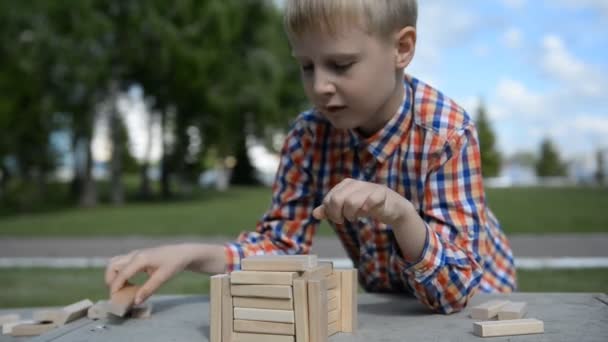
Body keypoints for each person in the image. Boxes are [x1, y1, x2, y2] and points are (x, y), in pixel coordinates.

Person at [105, 0, 516, 314]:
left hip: (480, 302)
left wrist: (401, 214)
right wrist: (192, 254)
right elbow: (280, 247)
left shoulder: (445, 133)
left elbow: (455, 292)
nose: (320, 86)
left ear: (402, 48)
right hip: (393, 305)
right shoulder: (309, 137)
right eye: (306, 66)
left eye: (340, 64)